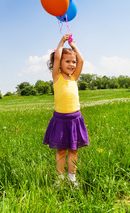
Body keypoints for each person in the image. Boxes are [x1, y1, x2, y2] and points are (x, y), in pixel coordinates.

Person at [43, 34, 89, 186]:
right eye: (67, 61)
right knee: (61, 151)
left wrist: (74, 46)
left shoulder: (74, 77)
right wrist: (62, 42)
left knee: (74, 150)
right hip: (60, 120)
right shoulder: (57, 77)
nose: (72, 64)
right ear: (60, 63)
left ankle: (72, 178)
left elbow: (81, 60)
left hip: (75, 119)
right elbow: (57, 58)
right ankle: (60, 179)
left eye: (73, 62)